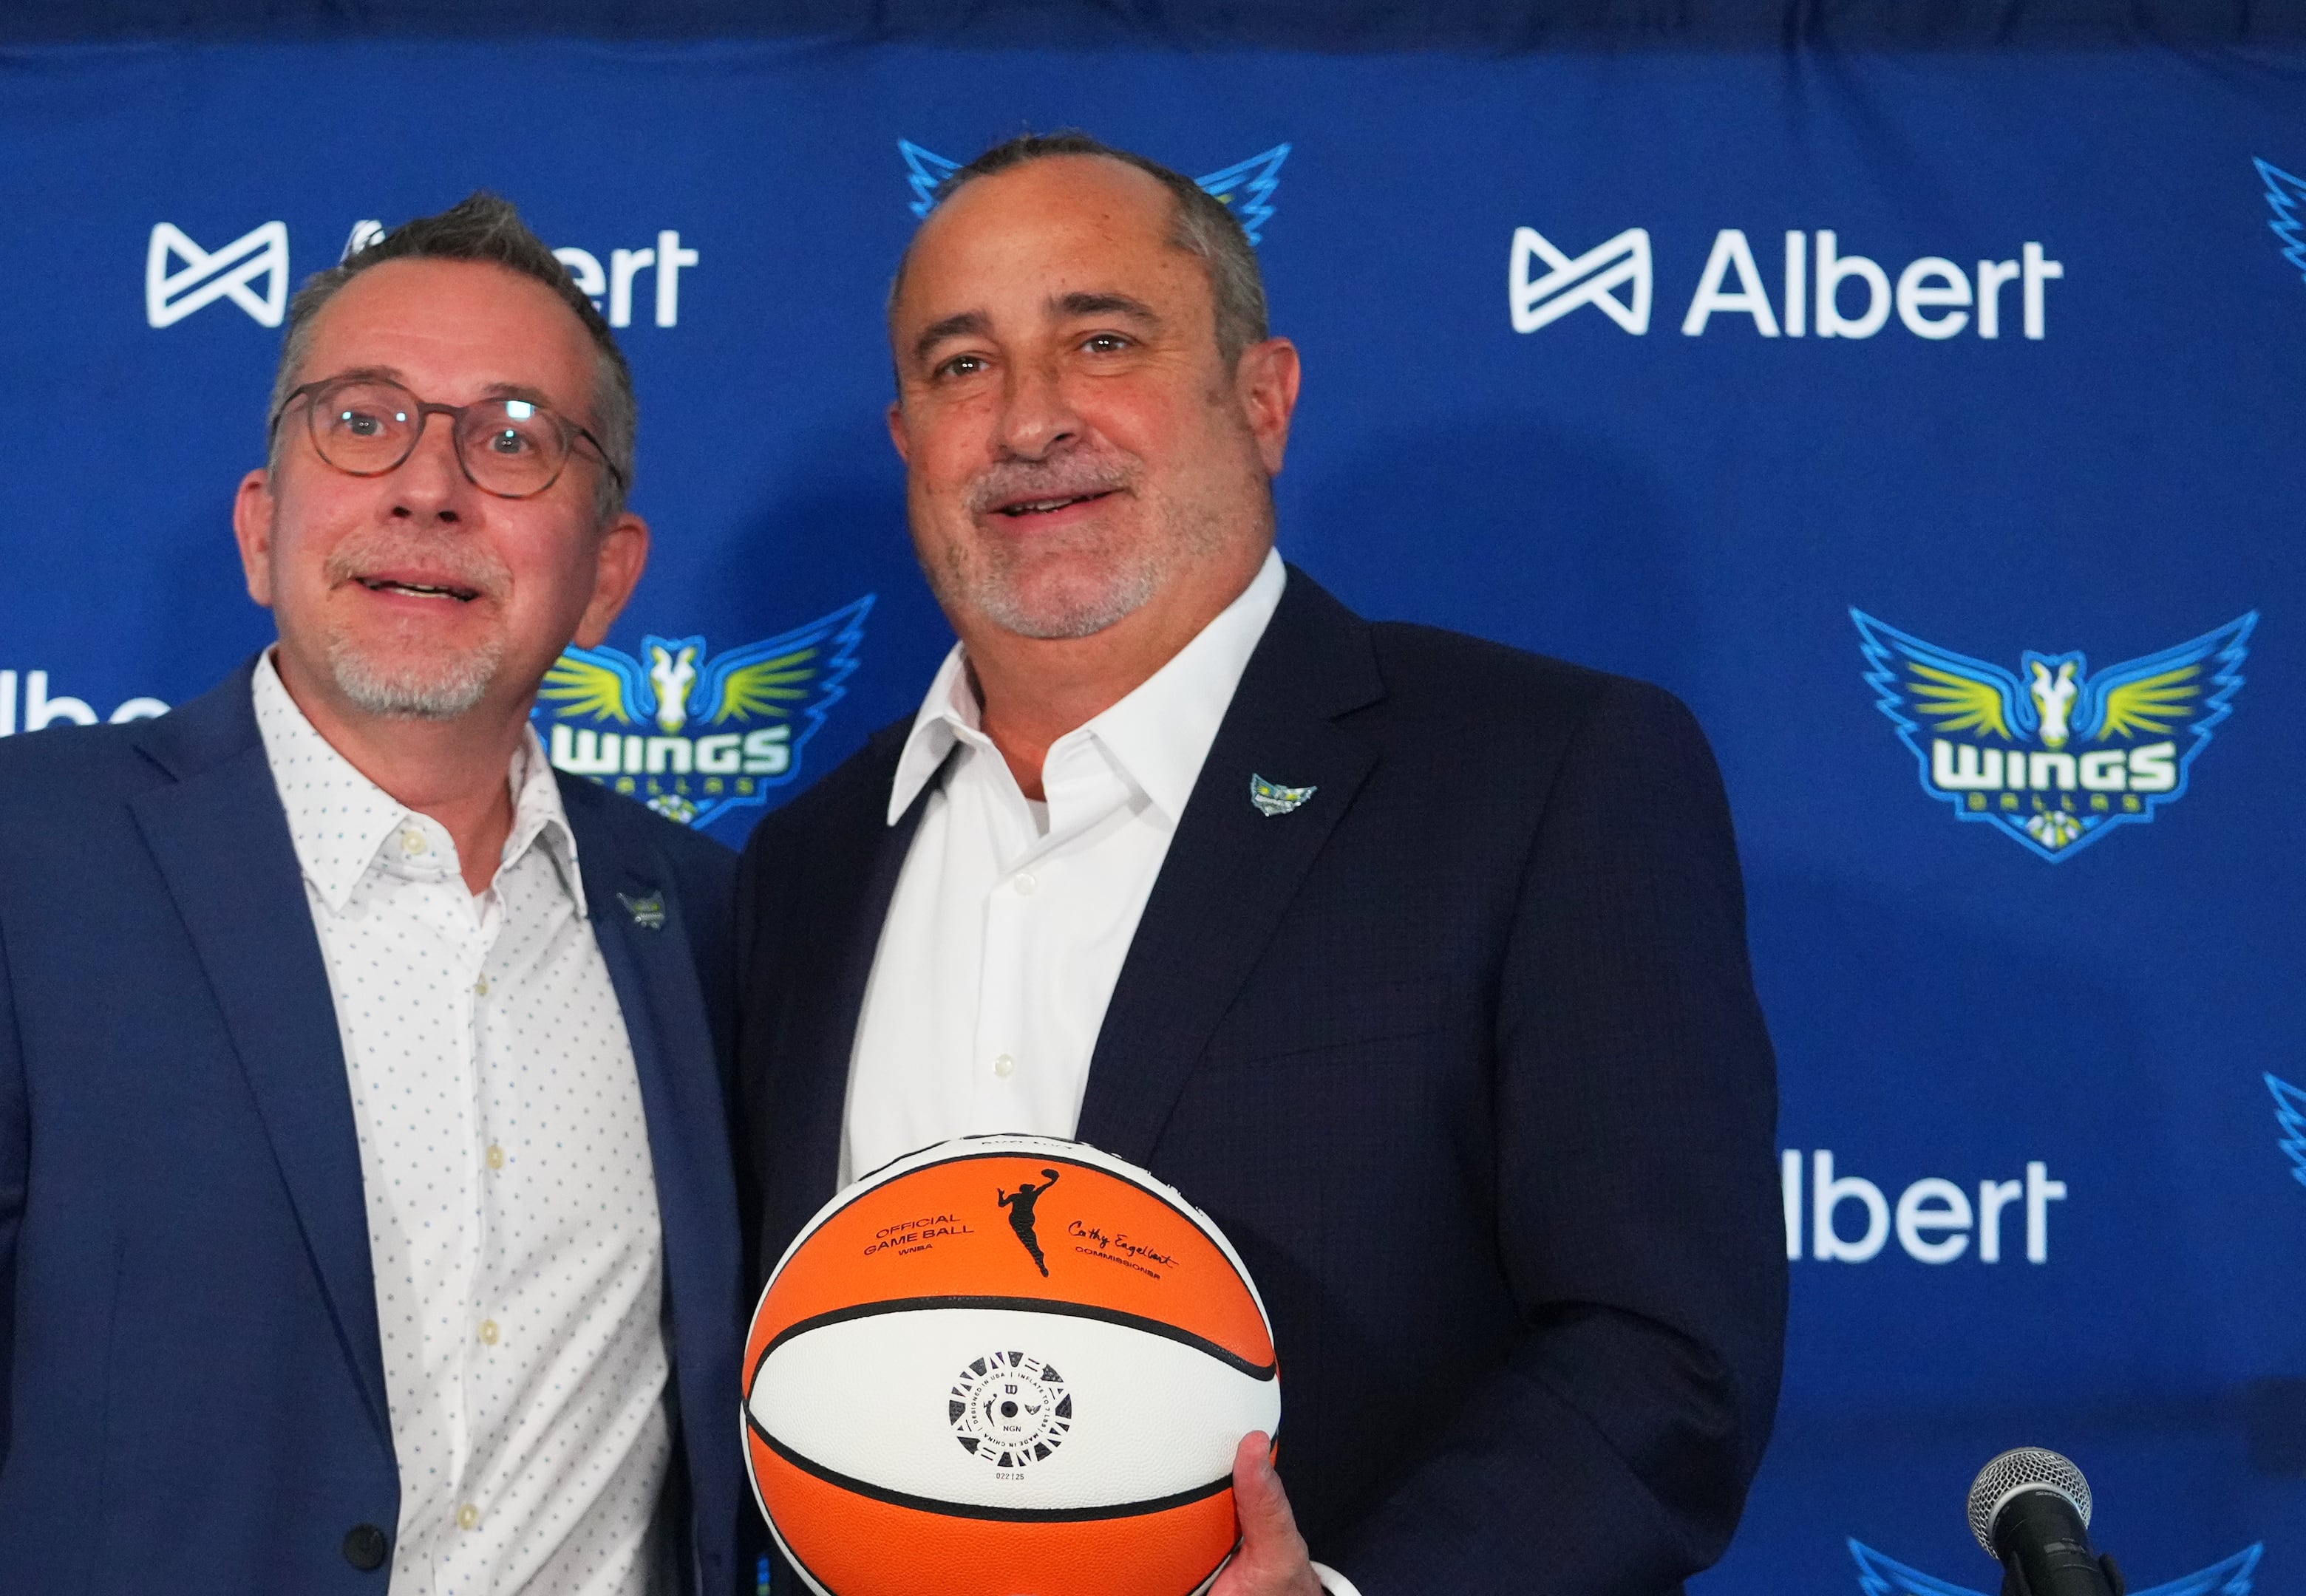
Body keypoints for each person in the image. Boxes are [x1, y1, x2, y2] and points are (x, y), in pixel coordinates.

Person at [732, 133, 1785, 1595]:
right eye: (963, 366)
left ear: (1263, 399)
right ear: (909, 442)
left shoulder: (1542, 775)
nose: (1033, 421)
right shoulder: (806, 866)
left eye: (1103, 339)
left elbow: (1665, 1354)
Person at [0, 194, 745, 1596]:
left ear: (607, 576)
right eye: (364, 420)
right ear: (262, 530)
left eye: (512, 441)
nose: (428, 487)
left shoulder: (709, 923)